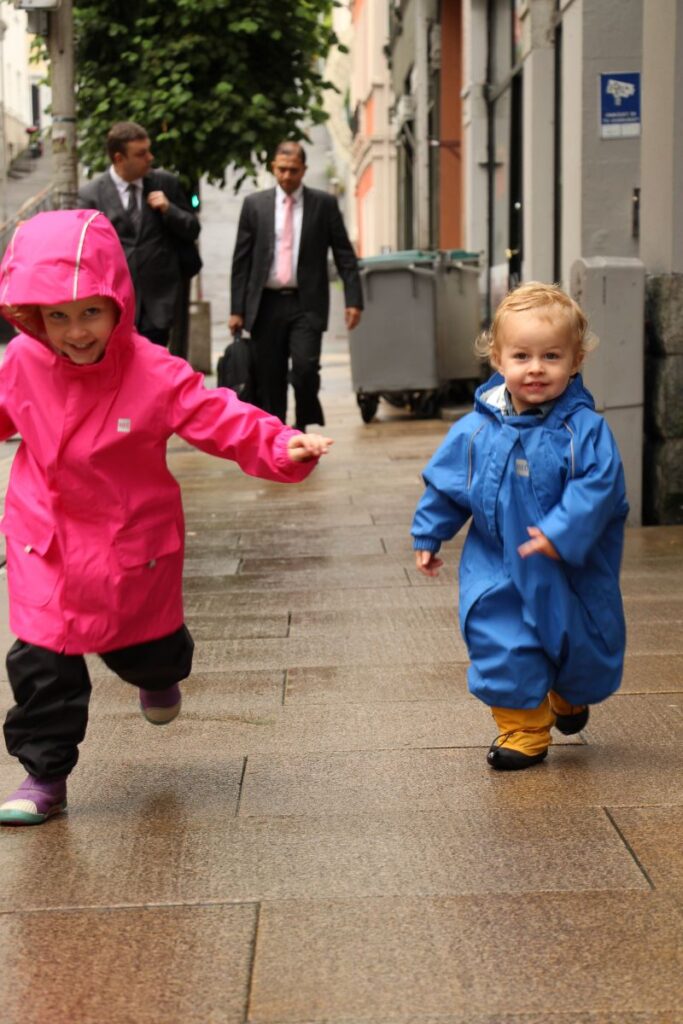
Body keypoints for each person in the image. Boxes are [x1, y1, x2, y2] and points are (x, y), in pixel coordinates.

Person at [0, 209, 332, 826]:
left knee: (144, 651)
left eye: (91, 312)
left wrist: (280, 443)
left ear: (118, 303)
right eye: (58, 317)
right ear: (32, 317)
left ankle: (164, 668)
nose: (76, 332)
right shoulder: (21, 363)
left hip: (129, 544)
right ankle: (45, 775)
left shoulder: (152, 370)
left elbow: (218, 415)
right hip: (42, 542)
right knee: (42, 661)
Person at [412, 282, 629, 771]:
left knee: (579, 647)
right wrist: (430, 532)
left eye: (551, 356)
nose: (536, 368)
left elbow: (598, 488)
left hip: (567, 568)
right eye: (522, 355)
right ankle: (523, 729)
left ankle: (567, 695)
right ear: (498, 358)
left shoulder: (584, 432)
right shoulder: (476, 430)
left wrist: (561, 532)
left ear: (575, 362)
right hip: (498, 565)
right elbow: (448, 484)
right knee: (501, 642)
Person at [229, 141, 363, 431]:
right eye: (282, 169)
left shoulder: (323, 204)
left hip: (307, 303)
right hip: (265, 304)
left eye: (293, 170)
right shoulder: (255, 205)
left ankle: (302, 425)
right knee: (270, 375)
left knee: (305, 370)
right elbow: (241, 261)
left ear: (304, 169)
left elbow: (343, 253)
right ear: (273, 168)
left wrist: (354, 299)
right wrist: (236, 310)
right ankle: (277, 436)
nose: (287, 176)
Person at [78, 121, 199, 347]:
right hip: (115, 303)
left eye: (148, 150)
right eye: (141, 154)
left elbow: (192, 229)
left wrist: (169, 209)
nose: (150, 158)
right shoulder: (91, 195)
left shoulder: (165, 183)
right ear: (119, 158)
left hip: (159, 300)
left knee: (155, 370)